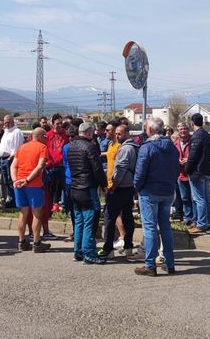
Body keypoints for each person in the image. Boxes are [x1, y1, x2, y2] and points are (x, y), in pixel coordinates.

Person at [133, 118, 179, 276]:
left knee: (150, 228)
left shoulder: (147, 147)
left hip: (150, 191)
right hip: (167, 191)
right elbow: (176, 170)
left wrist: (137, 188)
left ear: (150, 130)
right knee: (165, 227)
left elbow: (140, 172)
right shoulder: (172, 147)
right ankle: (170, 262)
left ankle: (150, 264)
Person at [67, 122, 107, 264]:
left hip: (75, 187)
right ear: (89, 133)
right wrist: (104, 184)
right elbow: (97, 168)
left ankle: (78, 252)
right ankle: (89, 253)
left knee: (79, 221)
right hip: (88, 188)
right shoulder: (90, 147)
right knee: (90, 222)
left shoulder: (71, 146)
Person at [10, 128, 52, 253]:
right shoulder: (42, 148)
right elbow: (40, 166)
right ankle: (37, 243)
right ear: (41, 136)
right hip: (33, 184)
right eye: (45, 136)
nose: (46, 139)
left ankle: (22, 241)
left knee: (23, 213)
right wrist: (28, 180)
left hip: (19, 184)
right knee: (36, 214)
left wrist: (15, 180)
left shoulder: (22, 147)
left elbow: (13, 165)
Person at [101, 124, 138, 259]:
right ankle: (128, 246)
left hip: (120, 187)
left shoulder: (126, 148)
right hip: (128, 187)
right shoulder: (130, 146)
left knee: (109, 218)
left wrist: (113, 186)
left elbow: (121, 169)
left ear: (127, 133)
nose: (117, 136)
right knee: (127, 217)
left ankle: (108, 248)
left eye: (120, 133)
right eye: (116, 133)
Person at [185, 113, 210, 234]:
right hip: (207, 170)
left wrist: (187, 168)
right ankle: (208, 222)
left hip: (197, 171)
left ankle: (201, 224)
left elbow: (193, 155)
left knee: (199, 199)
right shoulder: (207, 135)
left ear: (192, 123)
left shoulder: (197, 136)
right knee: (206, 198)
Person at [44, 115, 69, 226]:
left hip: (63, 166)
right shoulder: (48, 135)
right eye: (57, 123)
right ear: (53, 123)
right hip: (50, 166)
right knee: (49, 190)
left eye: (61, 123)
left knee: (66, 189)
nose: (59, 125)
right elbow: (45, 148)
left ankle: (67, 210)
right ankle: (48, 211)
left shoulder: (66, 135)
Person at [0, 115, 23, 208]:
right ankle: (11, 199)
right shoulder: (6, 132)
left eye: (8, 122)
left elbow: (17, 147)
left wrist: (11, 158)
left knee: (12, 180)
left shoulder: (16, 132)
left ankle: (16, 201)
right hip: (3, 159)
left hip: (10, 159)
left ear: (12, 121)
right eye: (5, 122)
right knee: (7, 181)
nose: (6, 124)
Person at [173, 122, 192, 223]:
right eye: (180, 129)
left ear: (188, 130)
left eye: (184, 129)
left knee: (192, 197)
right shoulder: (175, 143)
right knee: (183, 197)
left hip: (191, 173)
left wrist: (188, 159)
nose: (183, 131)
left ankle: (192, 217)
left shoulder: (193, 141)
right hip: (180, 173)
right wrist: (177, 160)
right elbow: (172, 156)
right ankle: (186, 217)